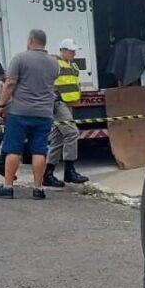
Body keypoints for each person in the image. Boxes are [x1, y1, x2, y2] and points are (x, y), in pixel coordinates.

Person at [0, 28, 59, 200]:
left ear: (30, 41)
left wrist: (0, 104)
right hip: (44, 113)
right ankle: (38, 188)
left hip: (20, 112)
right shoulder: (54, 63)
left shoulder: (20, 58)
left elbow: (10, 83)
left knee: (13, 149)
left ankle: (7, 187)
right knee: (39, 151)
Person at [44, 38, 88, 188]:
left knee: (57, 139)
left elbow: (74, 84)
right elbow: (46, 82)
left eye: (74, 50)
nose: (73, 53)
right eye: (70, 50)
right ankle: (69, 171)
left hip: (68, 105)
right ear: (62, 50)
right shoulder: (54, 63)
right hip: (58, 104)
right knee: (72, 133)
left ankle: (47, 173)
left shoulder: (73, 65)